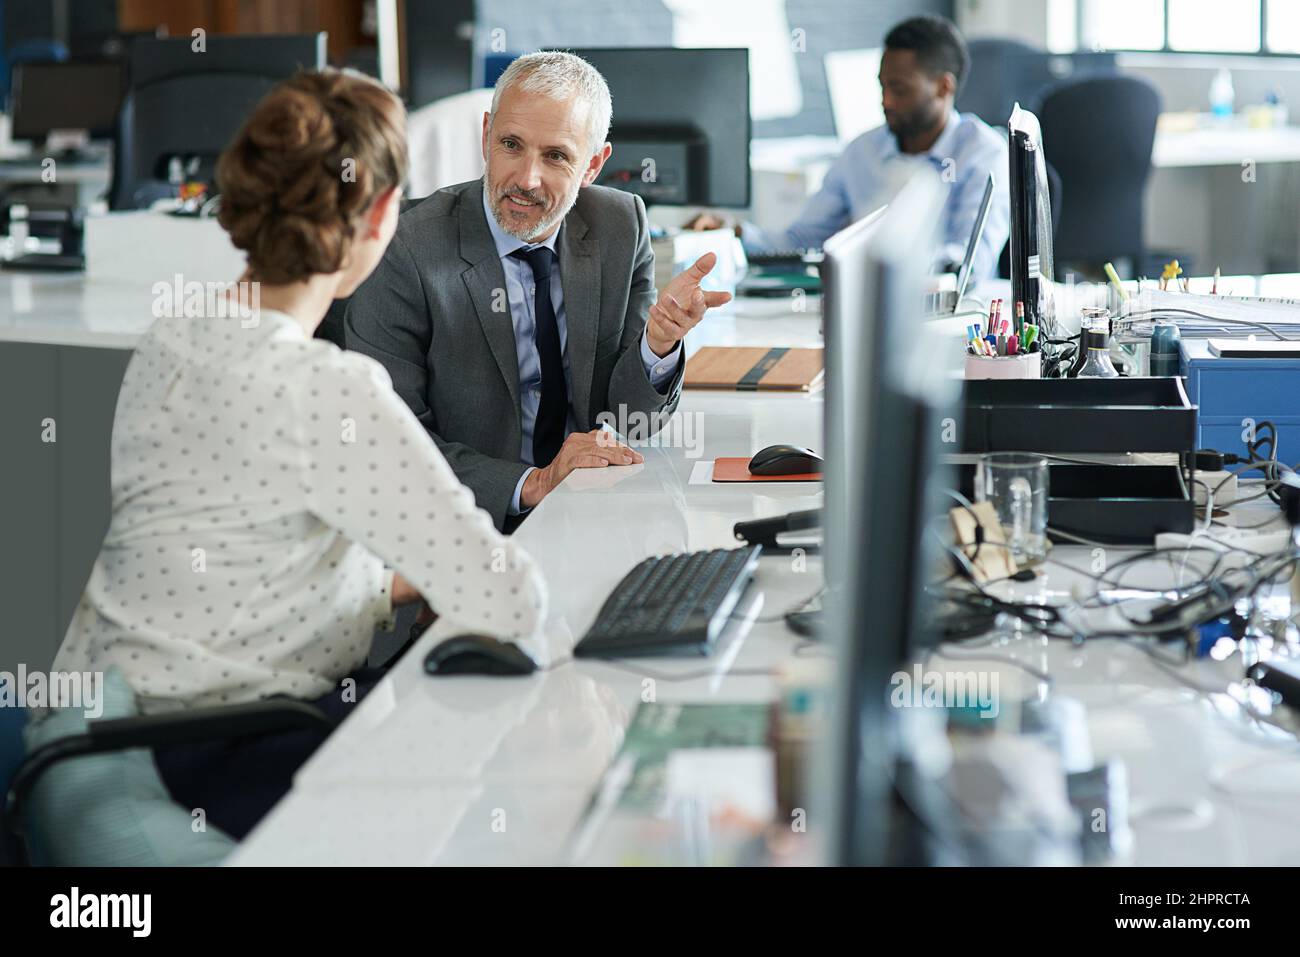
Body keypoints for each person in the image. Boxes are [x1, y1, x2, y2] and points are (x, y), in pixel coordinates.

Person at [41, 69, 548, 840]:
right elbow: (509, 602)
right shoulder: (329, 388)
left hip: (90, 731)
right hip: (205, 752)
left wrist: (389, 586)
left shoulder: (173, 336)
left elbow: (237, 561)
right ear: (382, 217)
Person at [345, 51, 732, 532]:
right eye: (511, 144)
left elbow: (634, 422)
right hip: (459, 528)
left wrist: (658, 344)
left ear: (593, 164)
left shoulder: (618, 224)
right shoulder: (403, 247)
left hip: (591, 512)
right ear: (486, 136)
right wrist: (535, 483)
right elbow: (387, 445)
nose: (526, 179)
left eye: (555, 156)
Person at [689, 14, 1009, 281]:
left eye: (899, 89)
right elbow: (802, 241)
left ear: (943, 87)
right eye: (882, 86)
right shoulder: (862, 151)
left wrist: (879, 269)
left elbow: (969, 264)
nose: (885, 101)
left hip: (953, 323)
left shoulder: (983, 153)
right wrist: (736, 232)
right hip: (866, 316)